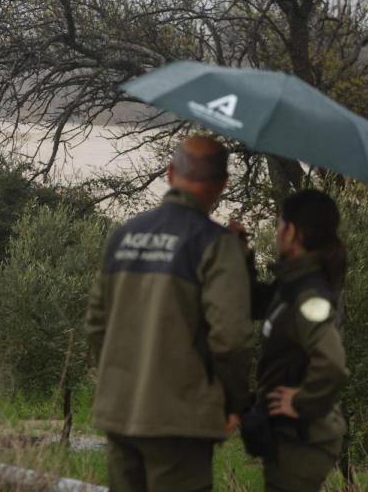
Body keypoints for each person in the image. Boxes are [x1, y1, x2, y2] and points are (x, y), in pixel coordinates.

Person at [86, 135, 253, 492]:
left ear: (170, 172)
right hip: (180, 420)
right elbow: (231, 337)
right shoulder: (215, 243)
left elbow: (96, 325)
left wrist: (120, 383)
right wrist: (233, 402)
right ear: (222, 184)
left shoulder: (123, 236)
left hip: (121, 412)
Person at [239, 189, 349, 492]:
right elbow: (255, 304)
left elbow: (332, 362)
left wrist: (300, 402)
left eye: (279, 226)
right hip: (288, 439)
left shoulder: (308, 296)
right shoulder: (292, 284)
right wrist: (243, 255)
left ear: (292, 232)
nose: (276, 234)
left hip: (303, 442)